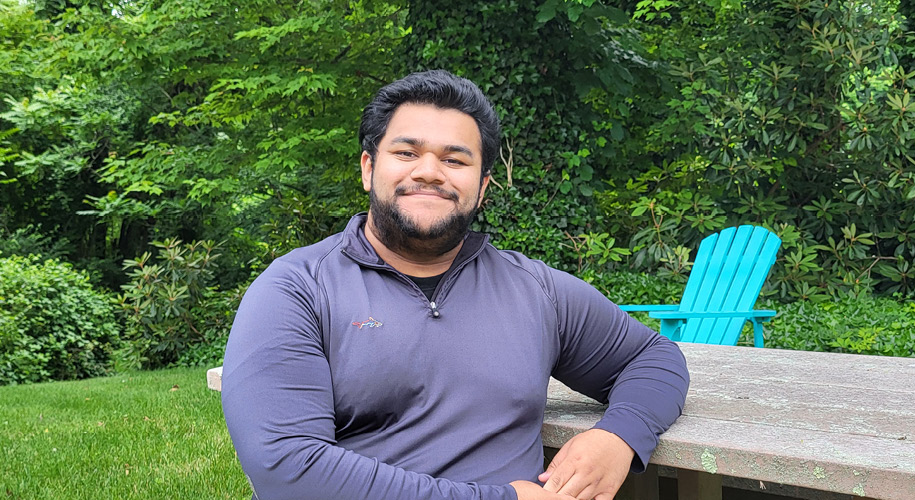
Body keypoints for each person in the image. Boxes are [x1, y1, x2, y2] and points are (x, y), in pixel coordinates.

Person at [221, 70, 690, 500]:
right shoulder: (297, 289)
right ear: (368, 167)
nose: (429, 171)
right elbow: (287, 469)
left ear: (483, 186)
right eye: (407, 153)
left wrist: (620, 435)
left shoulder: (533, 290)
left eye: (455, 159)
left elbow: (653, 357)